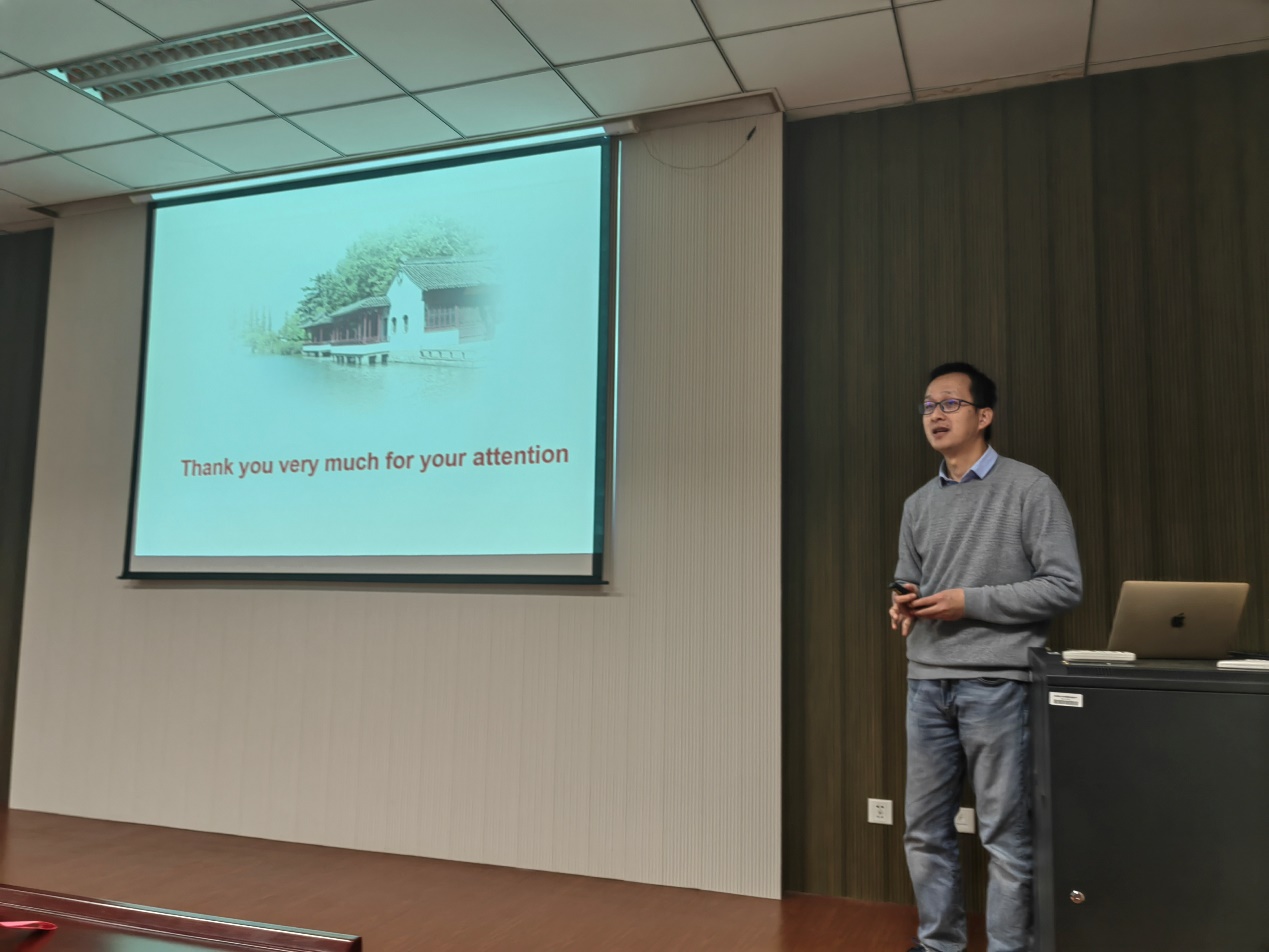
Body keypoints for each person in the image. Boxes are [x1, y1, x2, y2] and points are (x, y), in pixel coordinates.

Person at [889, 362, 1082, 952]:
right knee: (923, 832)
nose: (936, 415)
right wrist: (902, 603)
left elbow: (1063, 586)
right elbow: (906, 578)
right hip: (926, 682)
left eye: (950, 403)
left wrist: (968, 602)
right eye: (928, 406)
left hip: (998, 683)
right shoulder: (918, 503)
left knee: (1005, 835)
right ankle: (938, 944)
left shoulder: (1030, 488)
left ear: (984, 415)